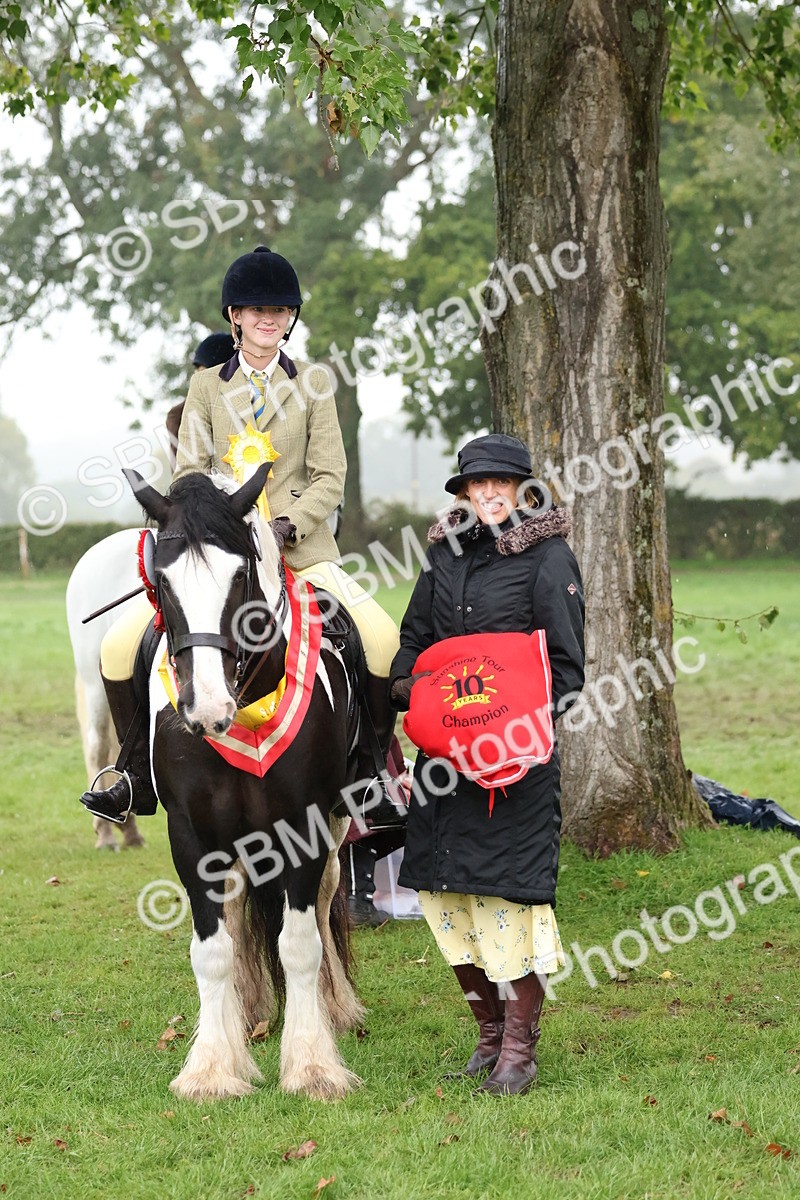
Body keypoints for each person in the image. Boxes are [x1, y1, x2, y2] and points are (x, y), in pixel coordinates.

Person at [81, 246, 399, 823]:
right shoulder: (205, 386)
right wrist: (224, 524)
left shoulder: (316, 385)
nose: (268, 321)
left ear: (290, 318)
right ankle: (132, 777)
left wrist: (284, 526)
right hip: (219, 558)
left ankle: (373, 777)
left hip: (303, 552)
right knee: (115, 646)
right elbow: (188, 475)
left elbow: (330, 477)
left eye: (279, 311)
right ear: (235, 317)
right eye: (256, 311)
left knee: (378, 637)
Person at [389, 433, 585, 1096]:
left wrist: (506, 732)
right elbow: (417, 639)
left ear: (522, 488)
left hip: (515, 768)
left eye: (503, 483)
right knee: (447, 900)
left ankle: (520, 1052)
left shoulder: (549, 554)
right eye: (479, 485)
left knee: (509, 902)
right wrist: (408, 689)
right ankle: (489, 1035)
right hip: (444, 761)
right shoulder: (443, 554)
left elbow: (565, 669)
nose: (491, 494)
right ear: (467, 493)